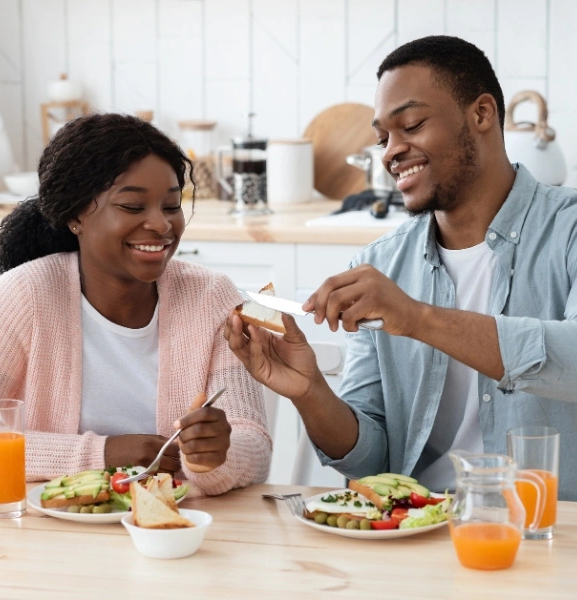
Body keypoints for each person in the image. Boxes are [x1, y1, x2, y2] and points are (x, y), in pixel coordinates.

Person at [225, 35, 577, 500]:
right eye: (383, 138)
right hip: (419, 530)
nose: (391, 151)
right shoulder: (379, 264)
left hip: (546, 531)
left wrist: (417, 318)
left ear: (483, 113)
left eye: (411, 124)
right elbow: (373, 462)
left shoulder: (567, 229)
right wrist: (309, 391)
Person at [0, 113, 271, 495]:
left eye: (171, 206)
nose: (162, 225)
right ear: (75, 215)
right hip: (50, 536)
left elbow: (256, 449)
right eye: (133, 207)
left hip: (177, 535)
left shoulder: (212, 298)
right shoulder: (23, 297)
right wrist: (102, 453)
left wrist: (214, 458)